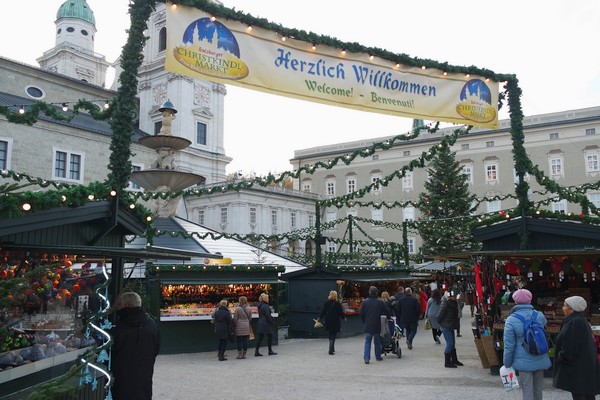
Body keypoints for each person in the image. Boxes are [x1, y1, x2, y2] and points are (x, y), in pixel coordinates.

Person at [503, 288, 551, 400]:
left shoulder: (511, 319)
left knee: (527, 389)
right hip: (540, 355)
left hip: (523, 359)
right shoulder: (539, 315)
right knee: (538, 389)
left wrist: (507, 363)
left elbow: (509, 345)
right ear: (530, 300)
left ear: (515, 301)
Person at [110, 292, 160, 400]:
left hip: (122, 379)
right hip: (144, 378)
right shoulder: (152, 324)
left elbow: (112, 349)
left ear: (126, 306)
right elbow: (156, 348)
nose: (117, 307)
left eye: (119, 305)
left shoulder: (119, 326)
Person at [553, 295, 600, 400]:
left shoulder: (575, 322)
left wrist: (562, 356)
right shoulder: (579, 320)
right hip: (583, 365)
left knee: (580, 394)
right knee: (586, 394)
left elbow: (570, 346)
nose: (562, 308)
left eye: (565, 306)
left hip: (578, 367)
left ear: (571, 309)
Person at [359, 286, 391, 364]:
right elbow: (387, 311)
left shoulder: (365, 302)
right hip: (377, 324)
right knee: (377, 341)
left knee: (367, 342)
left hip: (368, 324)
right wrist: (389, 317)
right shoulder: (380, 302)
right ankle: (378, 356)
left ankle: (366, 358)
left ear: (369, 292)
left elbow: (361, 313)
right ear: (377, 293)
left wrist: (364, 321)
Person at [437, 290, 463, 368]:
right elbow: (440, 315)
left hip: (450, 325)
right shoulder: (445, 304)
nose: (456, 298)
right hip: (446, 326)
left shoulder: (454, 303)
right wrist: (440, 323)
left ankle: (454, 360)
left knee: (452, 343)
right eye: (455, 296)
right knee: (450, 343)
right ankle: (447, 362)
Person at [318, 290, 346, 355]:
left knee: (330, 333)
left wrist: (319, 318)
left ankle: (332, 348)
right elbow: (340, 312)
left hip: (328, 321)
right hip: (335, 321)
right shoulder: (337, 303)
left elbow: (323, 312)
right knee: (334, 334)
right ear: (336, 296)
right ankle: (331, 349)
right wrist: (343, 317)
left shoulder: (326, 303)